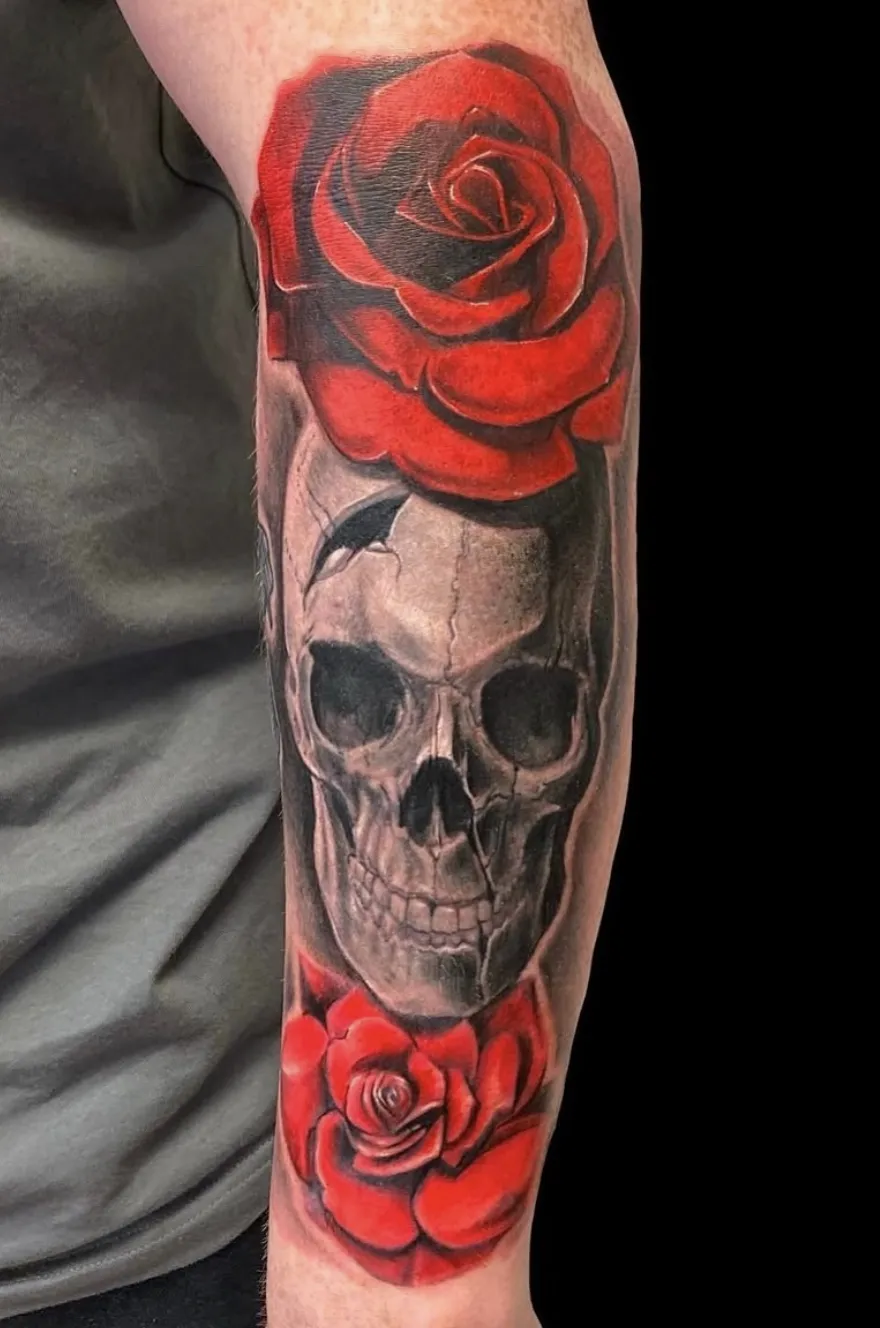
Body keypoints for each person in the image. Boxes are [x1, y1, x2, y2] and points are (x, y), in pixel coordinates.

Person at [0, 2, 639, 1325]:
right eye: (363, 698)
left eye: (529, 713)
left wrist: (404, 1291)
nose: (438, 810)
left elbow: (433, 64)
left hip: (114, 1153)